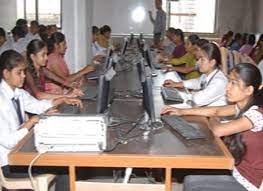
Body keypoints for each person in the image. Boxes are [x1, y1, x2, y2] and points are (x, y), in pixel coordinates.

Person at [161, 63, 263, 191]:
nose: (227, 88)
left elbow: (218, 129)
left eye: (234, 83)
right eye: (229, 81)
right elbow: (216, 111)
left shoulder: (257, 114)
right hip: (236, 170)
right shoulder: (241, 106)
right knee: (190, 176)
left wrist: (215, 118)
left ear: (249, 90)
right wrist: (181, 111)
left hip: (248, 181)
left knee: (193, 183)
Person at [0, 50, 82, 191]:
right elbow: (8, 142)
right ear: (6, 74)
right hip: (9, 163)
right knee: (65, 166)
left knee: (64, 156)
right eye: (19, 73)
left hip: (21, 150)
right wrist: (32, 122)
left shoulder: (17, 93)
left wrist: (62, 99)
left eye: (24, 72)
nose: (24, 76)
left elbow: (37, 105)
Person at [163, 42, 227, 107]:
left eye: (202, 59)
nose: (198, 62)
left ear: (212, 62)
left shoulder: (219, 81)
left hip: (215, 116)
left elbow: (198, 100)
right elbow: (197, 82)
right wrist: (177, 84)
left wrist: (191, 93)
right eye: (198, 59)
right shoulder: (207, 74)